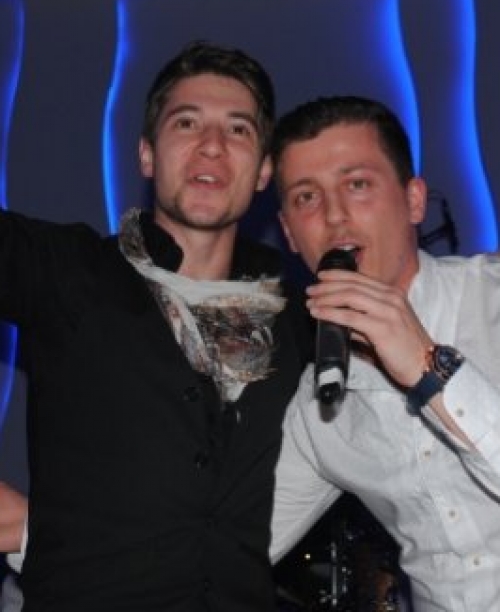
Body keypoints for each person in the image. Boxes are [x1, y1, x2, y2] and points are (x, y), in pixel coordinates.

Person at [0, 41, 307, 611]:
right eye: (186, 122)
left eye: (238, 129)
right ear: (146, 155)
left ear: (264, 170)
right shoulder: (71, 273)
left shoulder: (299, 317)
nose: (212, 144)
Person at [269, 95, 500, 612]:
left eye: (357, 184)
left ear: (414, 201)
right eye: (306, 197)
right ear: (289, 234)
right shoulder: (318, 405)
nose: (334, 216)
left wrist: (427, 366)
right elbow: (231, 548)